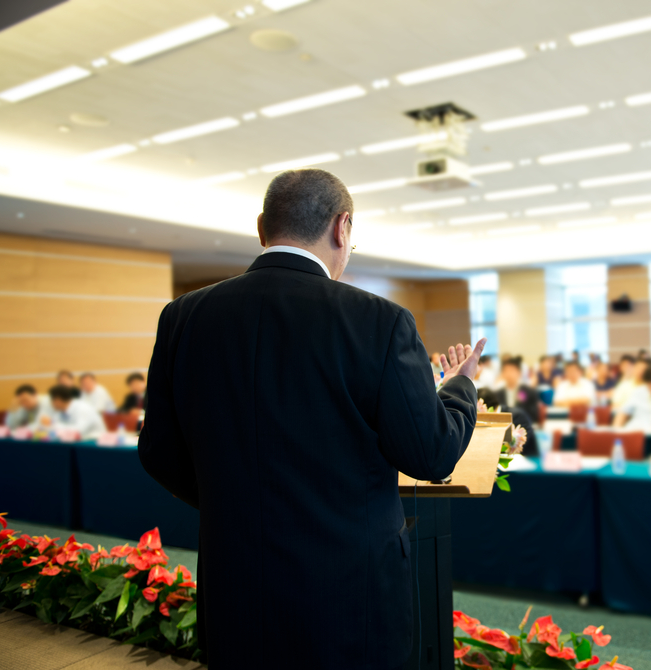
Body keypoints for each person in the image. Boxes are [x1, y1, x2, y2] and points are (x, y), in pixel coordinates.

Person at [138, 169, 483, 669]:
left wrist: (236, 501)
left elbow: (159, 452)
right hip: (348, 590)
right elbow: (430, 454)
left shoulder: (184, 316)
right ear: (342, 228)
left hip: (236, 582)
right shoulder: (379, 322)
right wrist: (461, 388)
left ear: (262, 228)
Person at [40, 384, 106, 439]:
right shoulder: (60, 411)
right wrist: (49, 424)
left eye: (51, 400)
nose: (51, 404)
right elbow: (53, 428)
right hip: (76, 443)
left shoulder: (83, 408)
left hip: (93, 442)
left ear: (58, 400)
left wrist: (53, 424)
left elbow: (78, 431)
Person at [493, 357, 540, 423]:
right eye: (506, 371)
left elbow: (533, 415)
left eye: (512, 371)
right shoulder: (498, 394)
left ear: (519, 373)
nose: (509, 374)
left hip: (524, 426)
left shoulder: (529, 392)